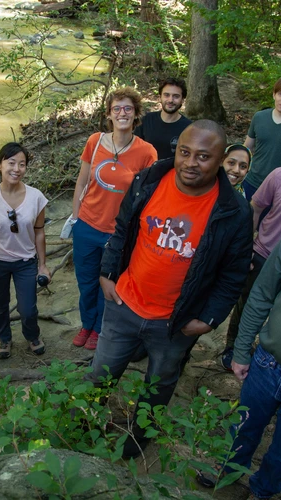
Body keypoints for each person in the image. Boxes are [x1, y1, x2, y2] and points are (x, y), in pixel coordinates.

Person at [87, 120, 253, 458]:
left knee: (159, 386)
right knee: (99, 376)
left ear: (220, 159)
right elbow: (122, 227)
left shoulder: (234, 212)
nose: (191, 163)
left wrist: (209, 318)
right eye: (185, 152)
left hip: (176, 322)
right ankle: (82, 425)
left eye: (203, 156)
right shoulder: (149, 180)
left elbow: (233, 274)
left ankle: (137, 441)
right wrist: (107, 271)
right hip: (124, 305)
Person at [227, 225, 281, 499]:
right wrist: (241, 351)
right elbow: (262, 294)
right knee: (243, 427)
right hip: (267, 365)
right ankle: (227, 471)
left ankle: (262, 491)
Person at [71, 87, 157, 350]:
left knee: (106, 283)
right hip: (86, 225)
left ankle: (99, 329)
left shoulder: (146, 152)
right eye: (117, 108)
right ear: (109, 114)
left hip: (117, 233)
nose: (122, 113)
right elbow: (82, 181)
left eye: (128, 108)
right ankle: (87, 324)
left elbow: (147, 197)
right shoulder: (94, 141)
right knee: (86, 282)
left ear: (136, 114)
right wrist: (76, 218)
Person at [221, 125, 281, 370]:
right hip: (263, 254)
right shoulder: (280, 175)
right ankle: (234, 348)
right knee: (248, 304)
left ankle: (274, 357)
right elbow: (255, 208)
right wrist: (247, 246)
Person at [0, 143, 50, 360]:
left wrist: (42, 264)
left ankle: (32, 335)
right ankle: (4, 338)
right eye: (11, 163)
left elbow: (39, 232)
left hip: (26, 261)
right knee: (0, 305)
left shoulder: (36, 197)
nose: (16, 169)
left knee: (28, 308)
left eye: (22, 164)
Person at [133, 77, 192, 159]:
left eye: (176, 96)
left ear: (182, 100)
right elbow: (135, 150)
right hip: (147, 170)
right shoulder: (146, 120)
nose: (170, 100)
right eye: (166, 95)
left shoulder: (189, 128)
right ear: (160, 97)